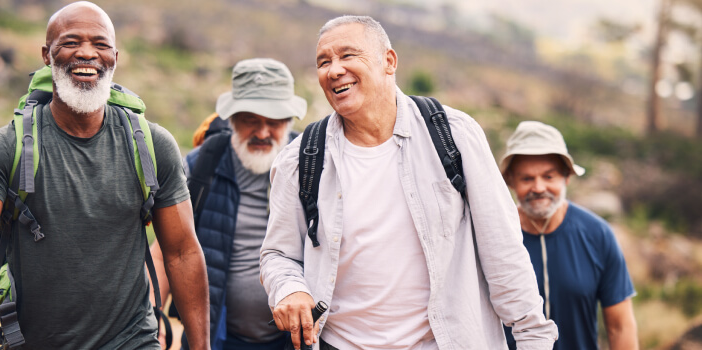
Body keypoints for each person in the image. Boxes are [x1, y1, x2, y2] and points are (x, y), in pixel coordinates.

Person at [260, 15, 558, 350]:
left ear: (388, 61)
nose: (333, 70)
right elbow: (277, 254)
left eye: (347, 56)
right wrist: (289, 287)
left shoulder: (453, 136)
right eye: (323, 62)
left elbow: (503, 252)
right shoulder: (300, 159)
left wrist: (533, 336)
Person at [0, 2, 210, 349]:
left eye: (100, 44)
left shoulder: (153, 146)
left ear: (114, 56)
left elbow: (183, 252)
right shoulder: (5, 147)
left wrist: (201, 346)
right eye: (70, 42)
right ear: (46, 55)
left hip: (133, 341)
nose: (86, 53)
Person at [150, 58, 307, 350]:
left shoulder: (309, 168)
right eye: (251, 120)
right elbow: (163, 253)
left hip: (295, 341)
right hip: (213, 339)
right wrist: (151, 315)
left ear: (288, 122)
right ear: (232, 119)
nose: (262, 133)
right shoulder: (202, 167)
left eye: (273, 122)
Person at [499, 121, 638, 350]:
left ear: (567, 177)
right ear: (511, 182)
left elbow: (620, 326)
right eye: (526, 178)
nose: (539, 187)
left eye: (549, 176)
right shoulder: (496, 237)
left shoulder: (598, 234)